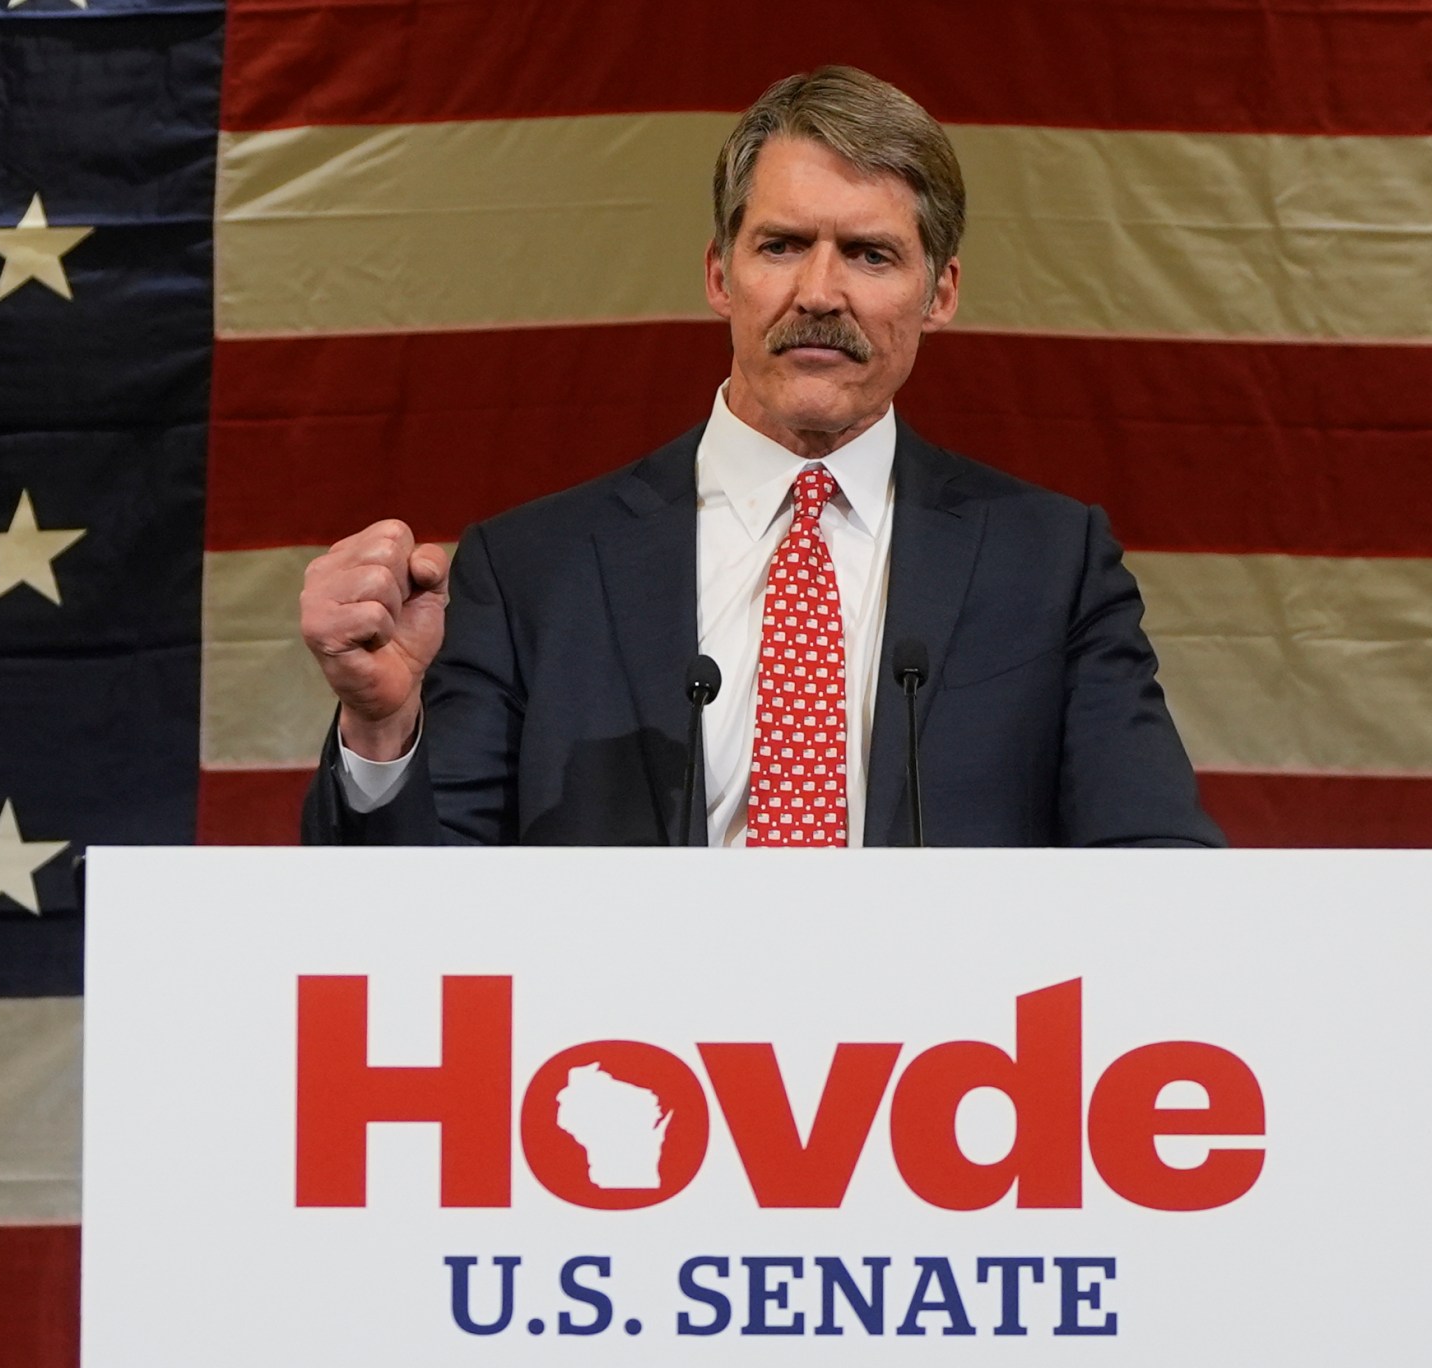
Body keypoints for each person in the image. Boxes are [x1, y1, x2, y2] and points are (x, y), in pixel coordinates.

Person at [297, 66, 1222, 848]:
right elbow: (414, 917)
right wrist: (381, 729)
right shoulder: (535, 570)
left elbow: (1154, 870)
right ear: (718, 275)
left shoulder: (1050, 565)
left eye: (868, 255)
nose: (819, 292)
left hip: (948, 1053)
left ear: (939, 294)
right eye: (781, 245)